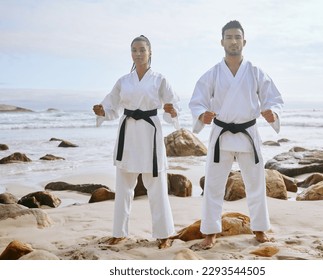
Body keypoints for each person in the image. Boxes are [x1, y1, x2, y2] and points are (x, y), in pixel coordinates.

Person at [189, 20, 284, 249]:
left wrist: (273, 114)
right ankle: (210, 232)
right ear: (221, 42)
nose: (233, 41)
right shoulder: (212, 74)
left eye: (237, 37)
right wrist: (202, 115)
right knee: (213, 184)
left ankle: (260, 229)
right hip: (221, 133)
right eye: (229, 37)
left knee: (256, 183)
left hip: (247, 132)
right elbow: (197, 101)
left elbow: (273, 98)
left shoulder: (254, 72)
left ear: (244, 41)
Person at [93, 35, 179, 249]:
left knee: (157, 186)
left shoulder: (160, 79)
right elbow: (111, 106)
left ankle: (164, 234)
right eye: (134, 50)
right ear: (131, 53)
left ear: (150, 52)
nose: (138, 53)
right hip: (129, 133)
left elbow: (173, 106)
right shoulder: (123, 81)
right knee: (123, 187)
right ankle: (119, 232)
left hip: (150, 133)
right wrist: (102, 111)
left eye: (142, 49)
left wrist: (172, 111)